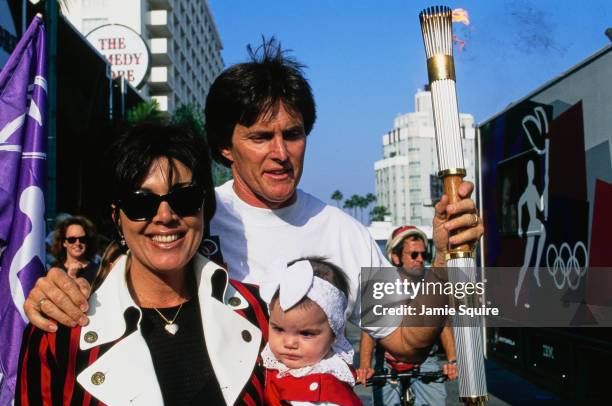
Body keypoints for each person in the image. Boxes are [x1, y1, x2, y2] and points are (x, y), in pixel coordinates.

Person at [24, 39, 484, 363]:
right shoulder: (186, 223)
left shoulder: (344, 232)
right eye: (261, 137)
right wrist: (54, 293)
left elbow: (404, 342)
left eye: (294, 134)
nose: (280, 153)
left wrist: (444, 262)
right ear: (226, 147)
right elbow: (111, 295)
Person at [14, 123, 270, 406]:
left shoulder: (255, 312)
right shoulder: (63, 326)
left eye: (185, 198)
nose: (165, 215)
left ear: (204, 208)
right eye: (141, 203)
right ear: (117, 218)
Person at [357, 226, 458, 406]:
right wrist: (365, 366)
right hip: (389, 364)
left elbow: (444, 325)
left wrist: (452, 361)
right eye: (413, 254)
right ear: (395, 257)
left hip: (426, 361)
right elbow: (369, 332)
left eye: (424, 254)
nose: (420, 259)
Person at [260, 258, 370, 406]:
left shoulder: (320, 385)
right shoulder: (293, 368)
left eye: (306, 334)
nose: (289, 342)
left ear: (334, 334)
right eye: (278, 329)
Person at [49, 215, 99, 283]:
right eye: (72, 240)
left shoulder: (98, 271)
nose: (77, 243)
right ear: (64, 242)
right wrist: (71, 276)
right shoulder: (54, 271)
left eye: (82, 239)